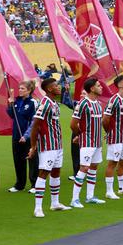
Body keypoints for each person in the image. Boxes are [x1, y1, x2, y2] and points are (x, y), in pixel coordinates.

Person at [27, 78, 71, 218]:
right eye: (56, 85)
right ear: (50, 89)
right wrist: (33, 146)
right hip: (48, 145)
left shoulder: (54, 103)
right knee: (44, 172)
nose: (59, 87)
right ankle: (38, 208)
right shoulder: (44, 103)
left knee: (56, 172)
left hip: (57, 144)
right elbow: (35, 125)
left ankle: (55, 203)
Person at [70, 77, 106, 207]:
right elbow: (73, 124)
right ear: (92, 88)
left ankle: (90, 196)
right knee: (84, 168)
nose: (101, 87)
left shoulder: (98, 103)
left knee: (93, 167)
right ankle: (74, 199)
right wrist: (81, 135)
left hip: (97, 142)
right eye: (98, 85)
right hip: (87, 141)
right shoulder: (83, 103)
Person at [102, 75, 123, 199]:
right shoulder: (114, 100)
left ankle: (122, 188)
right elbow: (105, 119)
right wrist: (109, 132)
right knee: (112, 163)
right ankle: (109, 191)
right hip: (116, 137)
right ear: (120, 85)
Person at [7, 80, 38, 193]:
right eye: (19, 88)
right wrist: (10, 104)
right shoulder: (16, 101)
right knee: (18, 160)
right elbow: (12, 115)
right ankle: (19, 185)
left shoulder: (33, 102)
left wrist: (26, 135)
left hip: (29, 137)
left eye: (22, 88)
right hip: (16, 135)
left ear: (29, 90)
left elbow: (34, 121)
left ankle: (35, 185)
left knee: (32, 160)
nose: (19, 90)